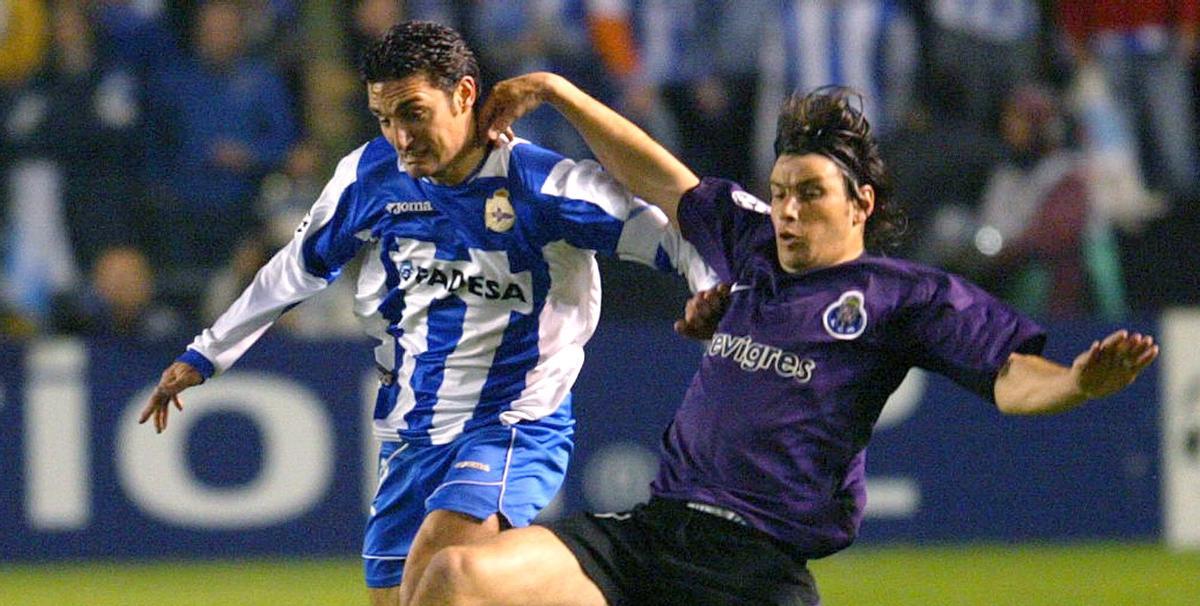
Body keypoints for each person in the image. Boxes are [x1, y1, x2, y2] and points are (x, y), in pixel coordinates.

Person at [405, 73, 1160, 606]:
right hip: (654, 534)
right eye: (779, 194)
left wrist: (1077, 382)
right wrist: (560, 94)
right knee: (456, 580)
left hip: (755, 571)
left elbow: (1011, 378)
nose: (788, 211)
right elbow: (658, 177)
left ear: (860, 203)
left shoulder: (907, 296)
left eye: (809, 195)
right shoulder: (753, 245)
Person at [136, 20, 714, 606]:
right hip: (411, 434)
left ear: (464, 94)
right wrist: (206, 353)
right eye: (384, 119)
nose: (401, 138)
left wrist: (709, 289)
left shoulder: (540, 185)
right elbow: (296, 268)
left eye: (413, 113)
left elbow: (676, 232)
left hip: (511, 423)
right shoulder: (370, 176)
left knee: (440, 579)